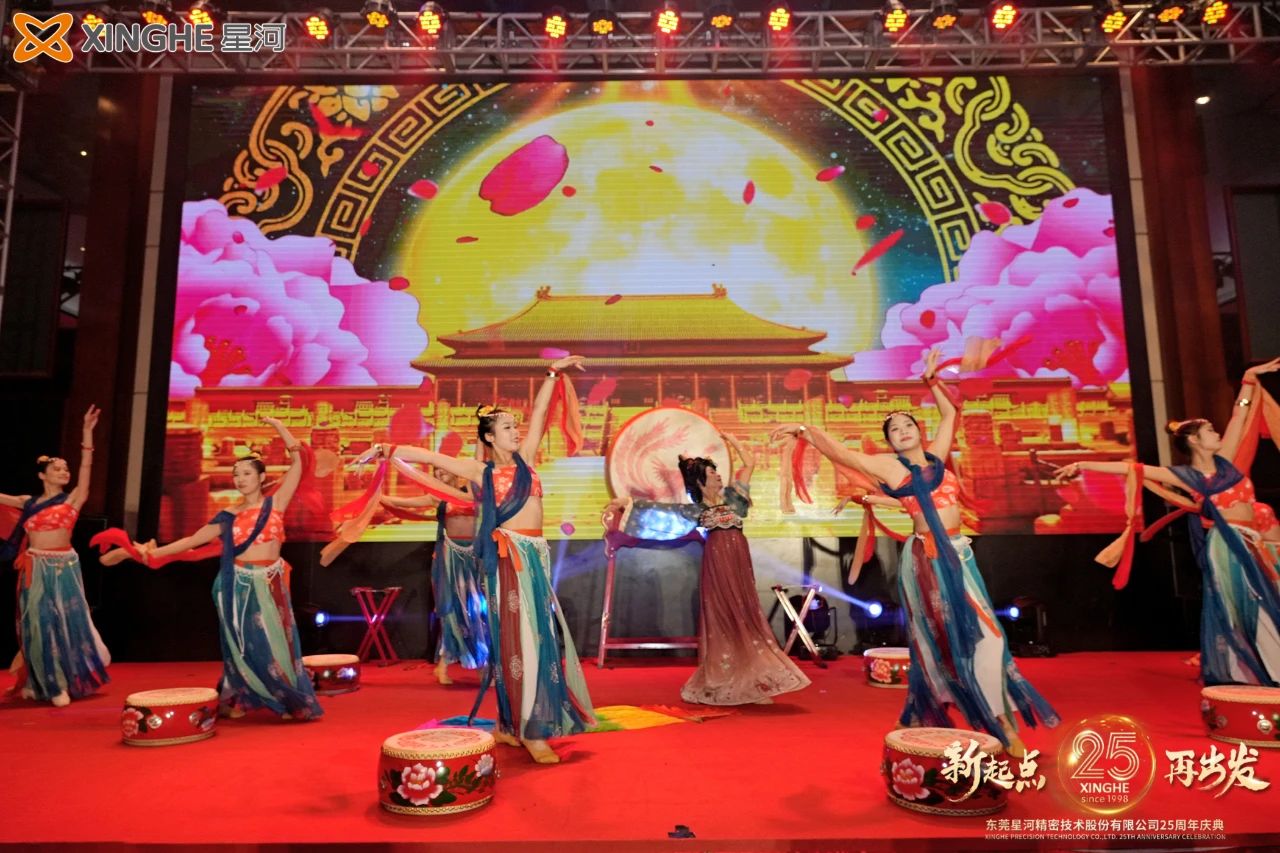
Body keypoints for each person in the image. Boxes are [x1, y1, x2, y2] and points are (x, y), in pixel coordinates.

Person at [771, 349, 1058, 756]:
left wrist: (930, 381)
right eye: (894, 429)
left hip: (960, 554)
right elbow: (844, 455)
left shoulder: (937, 457)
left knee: (988, 638)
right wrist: (805, 430)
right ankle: (977, 721)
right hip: (928, 559)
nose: (903, 431)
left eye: (908, 425)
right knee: (940, 639)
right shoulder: (891, 468)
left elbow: (950, 414)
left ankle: (986, 719)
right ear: (889, 441)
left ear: (919, 431)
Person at [371, 355, 594, 763]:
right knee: (519, 641)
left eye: (515, 426)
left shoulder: (527, 459)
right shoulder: (480, 471)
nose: (516, 431)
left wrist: (552, 373)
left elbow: (540, 413)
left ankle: (511, 724)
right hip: (509, 561)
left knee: (538, 638)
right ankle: (530, 730)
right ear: (490, 437)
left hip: (534, 558)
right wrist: (386, 449)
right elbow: (430, 459)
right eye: (507, 427)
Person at [1055, 356, 1280, 686]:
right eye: (1209, 431)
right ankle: (1250, 670)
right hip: (1227, 546)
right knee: (1241, 605)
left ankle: (1263, 667)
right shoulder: (1188, 477)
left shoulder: (1228, 463)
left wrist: (1248, 378)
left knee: (1267, 600)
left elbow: (1240, 415)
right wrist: (1082, 464)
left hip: (1253, 541)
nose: (1217, 433)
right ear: (1194, 441)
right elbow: (1132, 469)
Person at [96, 417, 322, 720]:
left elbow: (298, 462)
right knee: (243, 645)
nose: (240, 479)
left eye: (246, 473)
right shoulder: (228, 516)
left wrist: (278, 426)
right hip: (237, 585)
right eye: (236, 474)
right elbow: (191, 541)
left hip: (270, 583)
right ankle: (244, 698)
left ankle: (286, 698)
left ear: (261, 477)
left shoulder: (276, 503)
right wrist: (145, 553)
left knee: (276, 642)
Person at [606, 433, 810, 706]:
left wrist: (733, 439)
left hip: (739, 563)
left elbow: (749, 464)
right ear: (701, 480)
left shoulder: (734, 500)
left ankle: (755, 683)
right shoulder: (697, 510)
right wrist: (626, 502)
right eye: (712, 473)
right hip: (717, 564)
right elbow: (660, 510)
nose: (718, 476)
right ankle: (725, 681)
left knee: (745, 615)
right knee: (724, 617)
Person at [1, 405, 110, 706]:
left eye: (66, 469)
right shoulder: (28, 502)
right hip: (34, 567)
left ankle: (63, 680)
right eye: (58, 469)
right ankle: (43, 682)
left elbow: (86, 468)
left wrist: (87, 432)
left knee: (66, 621)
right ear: (42, 475)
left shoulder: (73, 499)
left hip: (63, 567)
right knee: (37, 624)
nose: (65, 471)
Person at [381, 470, 488, 685]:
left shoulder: (473, 492)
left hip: (474, 556)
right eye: (437, 472)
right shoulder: (437, 496)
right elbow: (404, 503)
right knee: (452, 611)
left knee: (476, 610)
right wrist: (379, 496)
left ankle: (482, 666)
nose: (440, 474)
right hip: (451, 556)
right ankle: (443, 665)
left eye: (443, 470)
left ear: (455, 473)